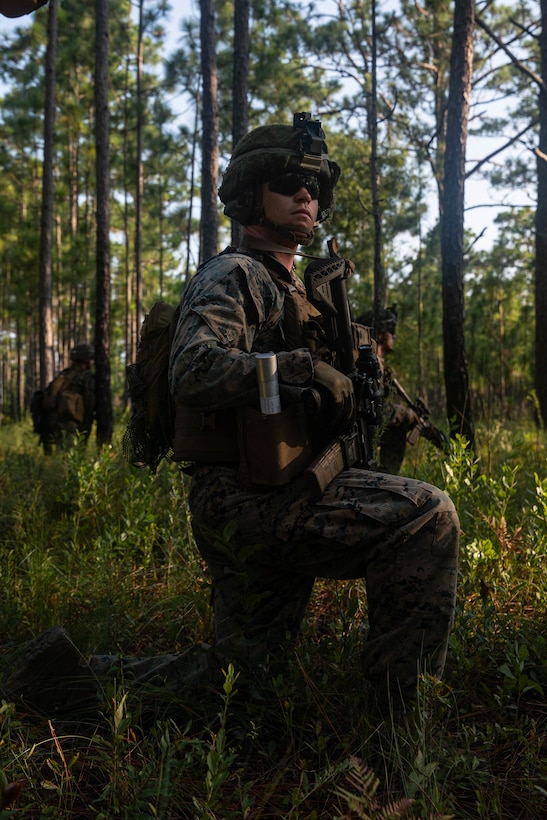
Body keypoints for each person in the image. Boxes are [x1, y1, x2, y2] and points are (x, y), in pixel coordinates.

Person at [6, 113, 459, 717]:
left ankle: (64, 685)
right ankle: (404, 729)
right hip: (252, 499)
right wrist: (298, 368)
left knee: (237, 685)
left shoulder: (294, 285)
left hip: (276, 488)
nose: (307, 195)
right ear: (249, 192)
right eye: (288, 181)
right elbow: (192, 369)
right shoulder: (236, 273)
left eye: (315, 188)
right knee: (426, 516)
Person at [358, 305, 447, 474]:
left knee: (398, 427)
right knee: (401, 423)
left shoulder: (376, 363)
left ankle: (384, 477)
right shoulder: (372, 362)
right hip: (361, 431)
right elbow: (372, 409)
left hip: (365, 431)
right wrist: (407, 415)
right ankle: (385, 480)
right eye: (391, 331)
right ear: (381, 334)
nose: (394, 336)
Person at [36, 342, 96, 454]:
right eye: (91, 358)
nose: (92, 362)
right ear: (85, 359)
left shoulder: (64, 374)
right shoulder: (86, 376)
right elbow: (90, 402)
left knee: (61, 454)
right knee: (71, 456)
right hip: (71, 423)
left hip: (53, 420)